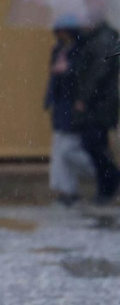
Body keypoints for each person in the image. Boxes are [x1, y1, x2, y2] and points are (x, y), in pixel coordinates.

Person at [63, 16, 120, 204]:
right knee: (95, 146)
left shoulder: (103, 40)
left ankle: (110, 182)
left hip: (99, 106)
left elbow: (98, 72)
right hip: (99, 106)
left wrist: (84, 98)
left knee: (93, 145)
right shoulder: (95, 39)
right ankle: (105, 188)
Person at [45, 18, 94, 205]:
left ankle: (101, 171)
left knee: (68, 148)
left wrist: (67, 70)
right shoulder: (59, 50)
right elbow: (54, 79)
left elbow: (83, 76)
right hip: (60, 105)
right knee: (59, 149)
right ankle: (67, 190)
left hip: (72, 105)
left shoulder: (80, 50)